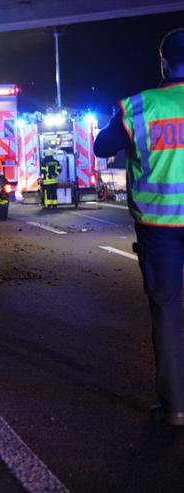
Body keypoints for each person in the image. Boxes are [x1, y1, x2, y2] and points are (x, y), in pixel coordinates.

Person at [94, 28, 184, 426]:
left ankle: (176, 407)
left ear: (163, 62)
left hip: (159, 227)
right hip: (159, 227)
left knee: (166, 312)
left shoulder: (139, 107)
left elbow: (101, 147)